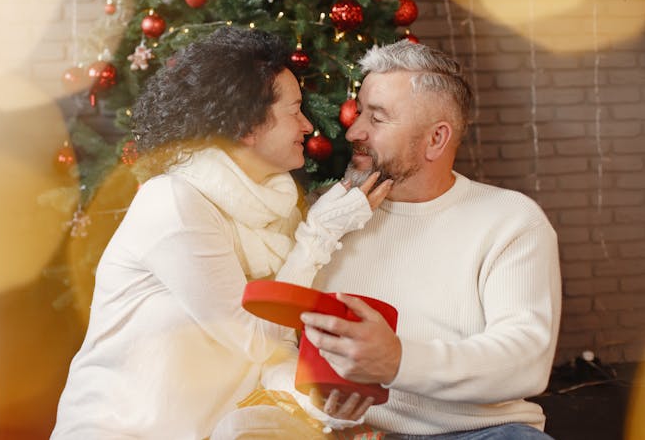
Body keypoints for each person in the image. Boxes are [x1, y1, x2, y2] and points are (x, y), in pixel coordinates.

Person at [50, 27, 392, 439]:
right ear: (245, 126)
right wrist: (320, 232)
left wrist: (322, 408)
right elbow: (253, 338)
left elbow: (272, 354)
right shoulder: (175, 202)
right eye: (294, 110)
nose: (307, 125)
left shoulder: (274, 208)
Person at [212, 40, 562, 439]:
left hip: (476, 433)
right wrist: (321, 406)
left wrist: (398, 360)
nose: (353, 129)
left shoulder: (510, 221)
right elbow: (279, 340)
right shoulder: (332, 216)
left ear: (436, 139)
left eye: (377, 119)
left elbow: (525, 360)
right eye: (359, 111)